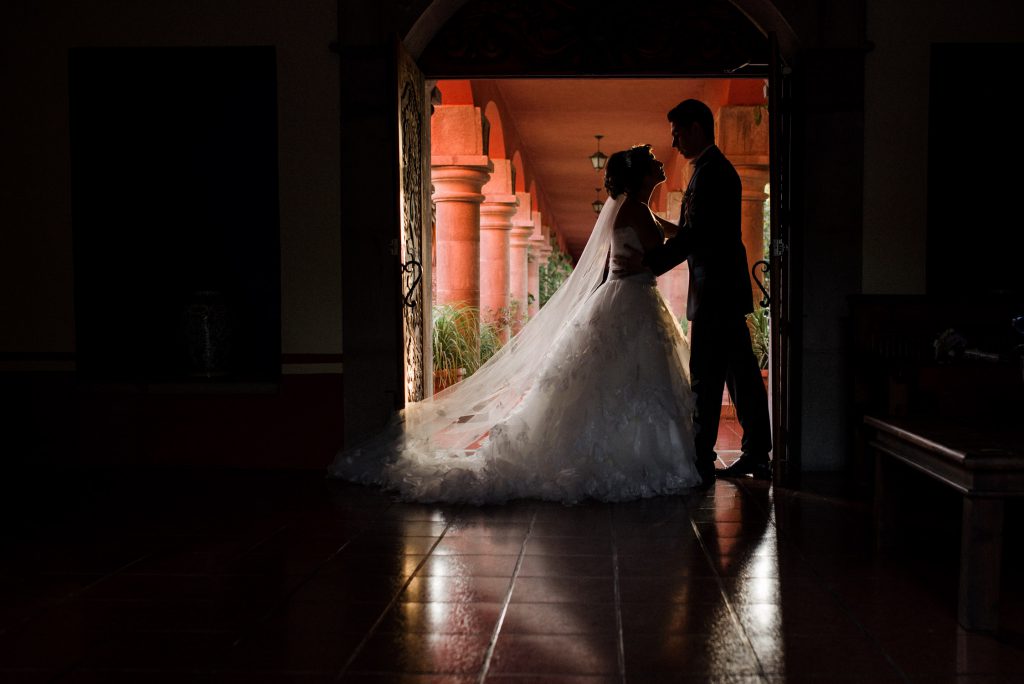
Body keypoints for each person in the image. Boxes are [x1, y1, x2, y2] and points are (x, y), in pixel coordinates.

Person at [330, 145, 703, 503]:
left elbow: (674, 235)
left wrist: (689, 229)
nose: (660, 163)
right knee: (626, 382)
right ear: (639, 174)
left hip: (633, 298)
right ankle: (633, 459)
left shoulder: (639, 209)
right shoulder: (635, 211)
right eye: (652, 160)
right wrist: (688, 244)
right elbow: (658, 257)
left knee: (625, 383)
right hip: (632, 299)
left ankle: (629, 454)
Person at [614, 99, 772, 482]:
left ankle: (704, 459)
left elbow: (695, 237)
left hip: (716, 291)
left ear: (696, 129)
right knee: (738, 372)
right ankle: (751, 452)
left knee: (710, 374)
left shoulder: (712, 173)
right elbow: (689, 231)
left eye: (677, 131)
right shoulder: (708, 170)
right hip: (720, 290)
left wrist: (648, 266)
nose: (673, 139)